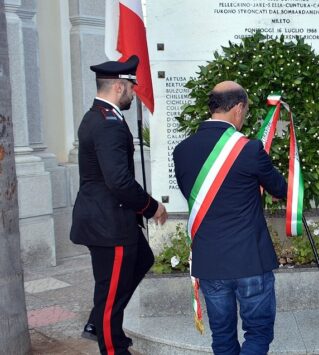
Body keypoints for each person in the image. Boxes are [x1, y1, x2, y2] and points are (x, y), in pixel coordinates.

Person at [173, 81, 287, 355]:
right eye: (245, 110)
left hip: (210, 261)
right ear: (237, 108)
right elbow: (281, 189)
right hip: (250, 260)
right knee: (257, 334)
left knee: (222, 336)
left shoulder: (182, 150)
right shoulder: (249, 149)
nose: (244, 115)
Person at [70, 55, 168, 355]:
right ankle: (112, 347)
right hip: (108, 225)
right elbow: (119, 182)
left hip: (107, 219)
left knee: (142, 260)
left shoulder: (98, 115)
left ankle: (96, 322)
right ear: (118, 87)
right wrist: (152, 207)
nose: (133, 93)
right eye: (131, 87)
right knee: (110, 295)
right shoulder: (108, 123)